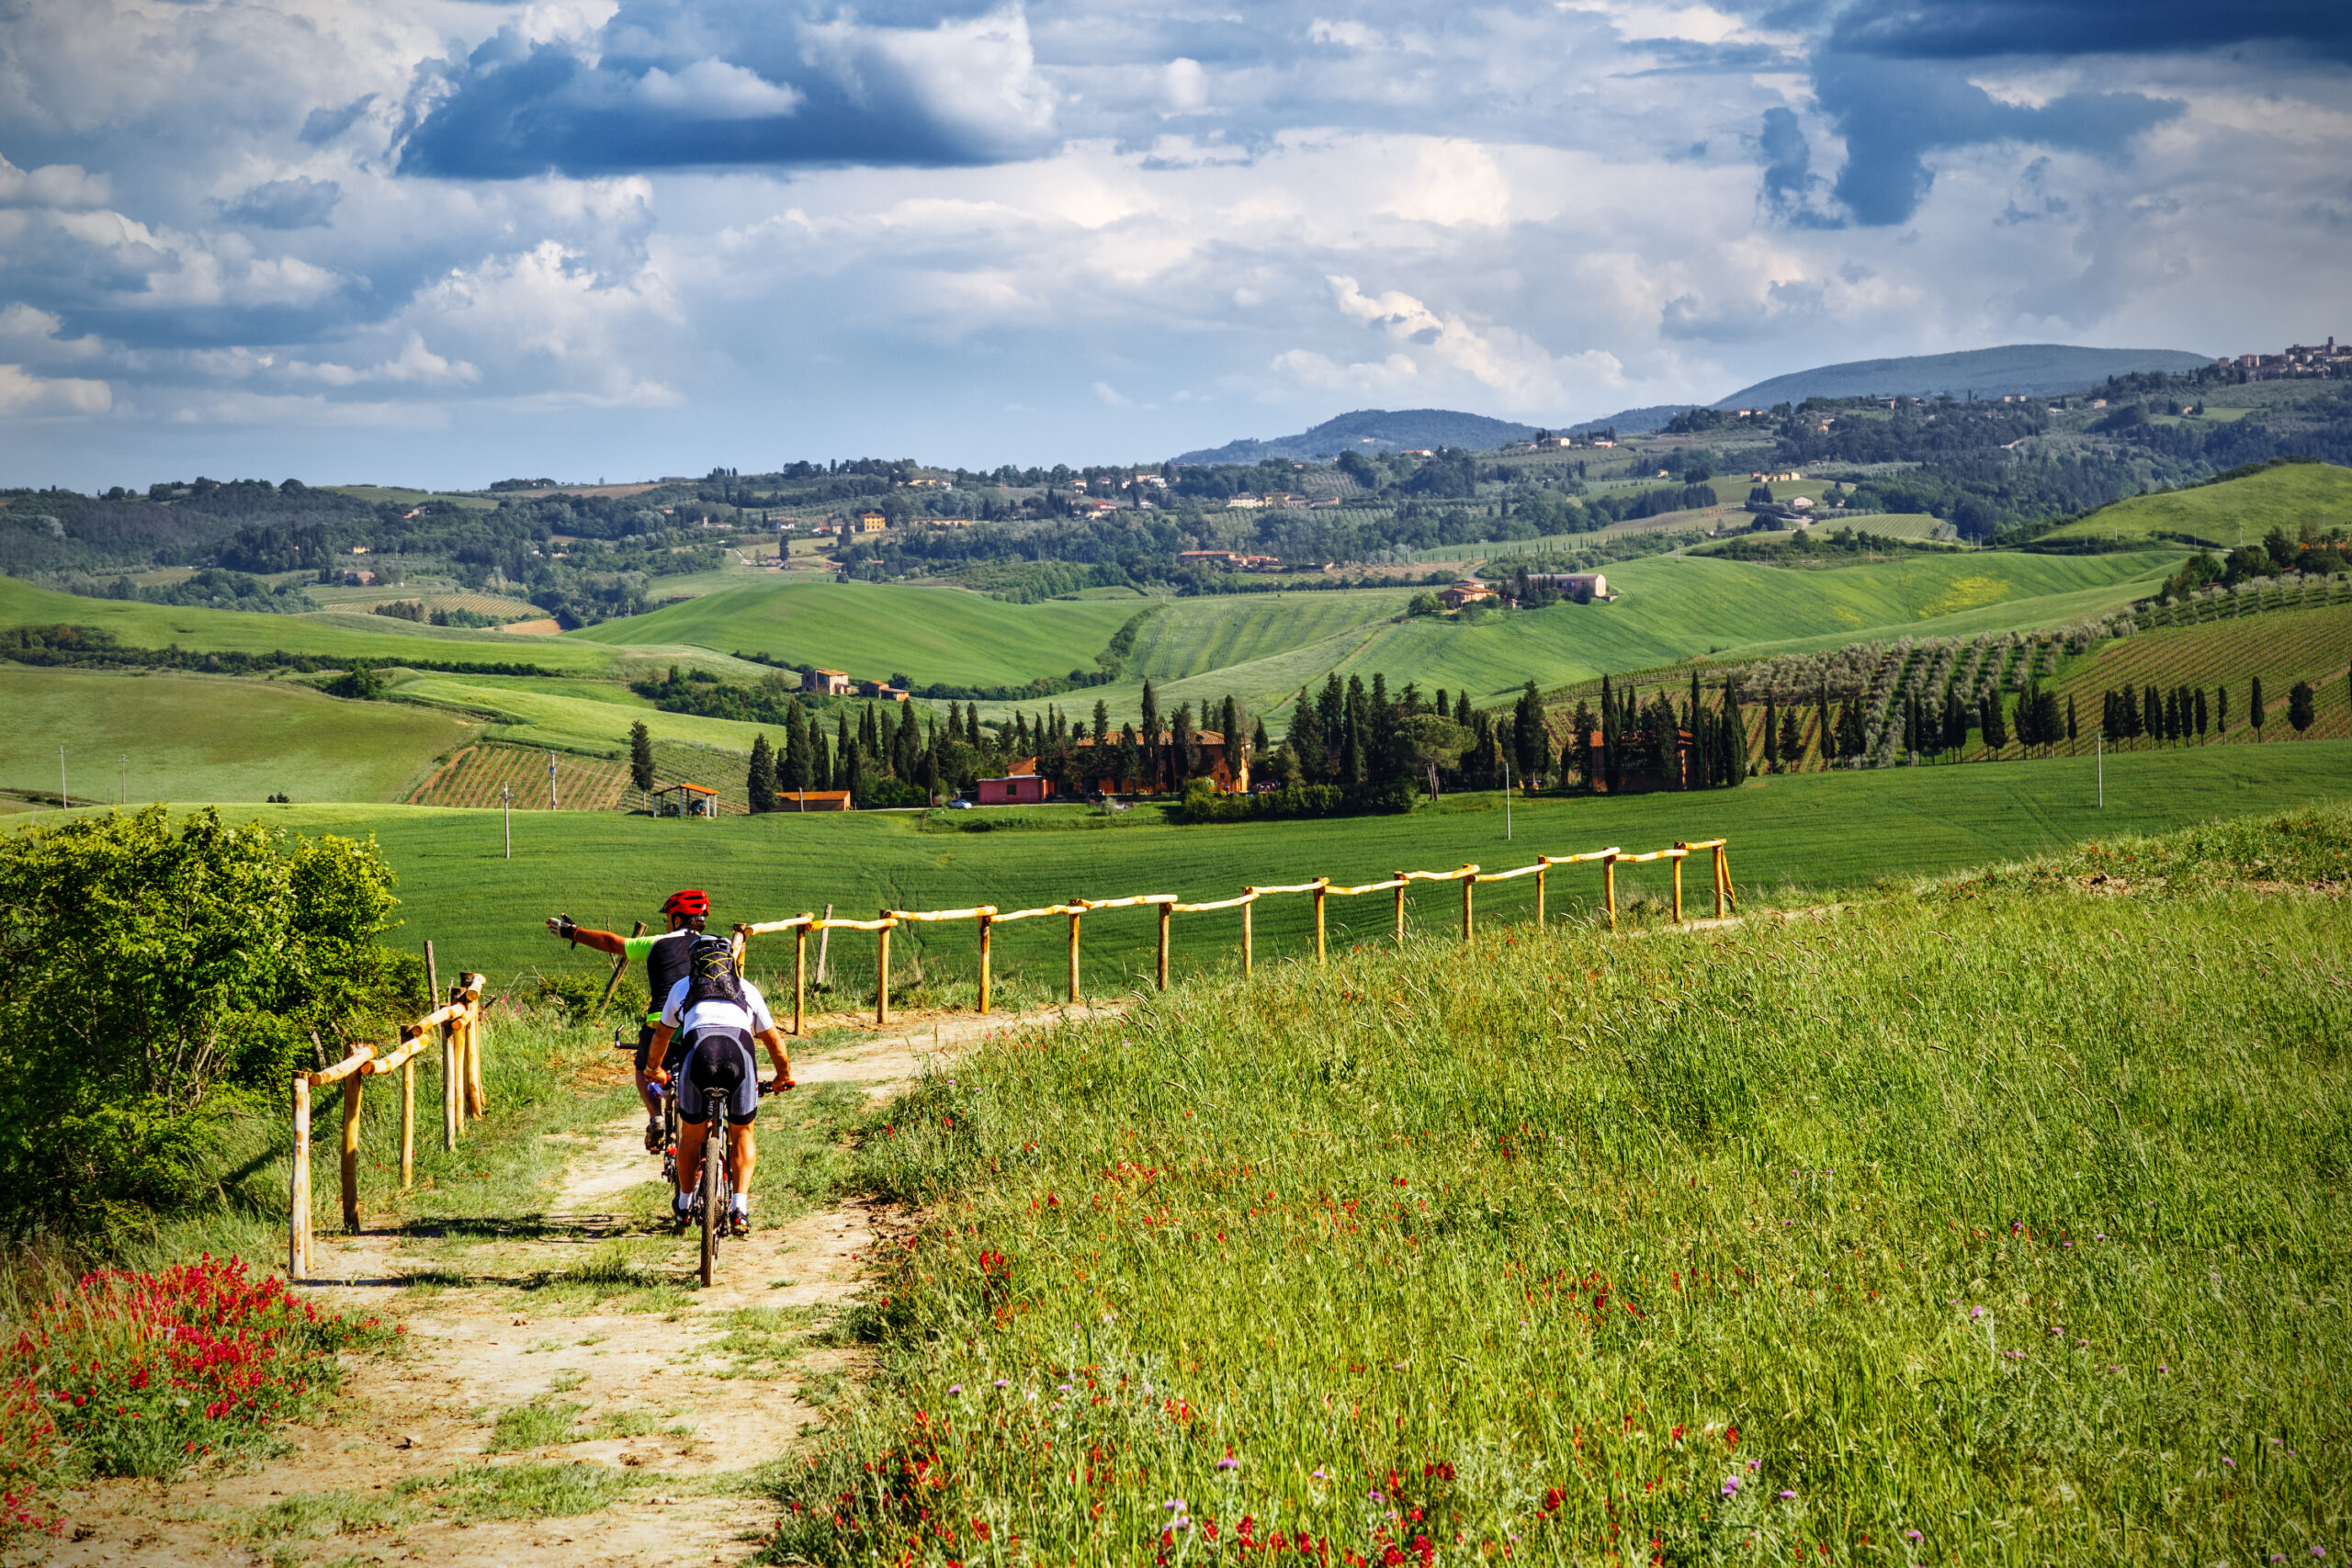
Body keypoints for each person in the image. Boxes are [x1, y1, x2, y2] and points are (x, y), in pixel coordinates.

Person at [649, 933, 795, 1236]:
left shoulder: (682, 988)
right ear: (730, 962)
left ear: (694, 961)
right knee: (743, 1131)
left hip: (697, 1054)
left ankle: (685, 1204)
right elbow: (775, 1042)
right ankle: (739, 1208)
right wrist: (783, 1076)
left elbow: (661, 1037)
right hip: (738, 1054)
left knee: (691, 1133)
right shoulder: (746, 989)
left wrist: (654, 1070)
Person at [548, 889, 709, 1153]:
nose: (666, 924)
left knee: (643, 1068)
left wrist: (573, 932)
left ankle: (655, 1116)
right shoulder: (715, 946)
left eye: (668, 919)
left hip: (661, 1023)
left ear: (678, 920)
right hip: (700, 1023)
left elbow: (612, 943)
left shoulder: (657, 944)